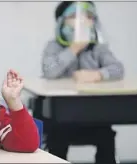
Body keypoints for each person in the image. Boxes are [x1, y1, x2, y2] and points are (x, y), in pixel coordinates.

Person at [41, 1, 125, 164]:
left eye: (88, 17)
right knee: (56, 140)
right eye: (74, 17)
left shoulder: (97, 48)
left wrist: (99, 74)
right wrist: (74, 48)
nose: (82, 21)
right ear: (61, 22)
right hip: (61, 118)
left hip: (92, 115)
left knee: (106, 136)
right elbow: (49, 71)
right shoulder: (53, 47)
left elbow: (118, 68)